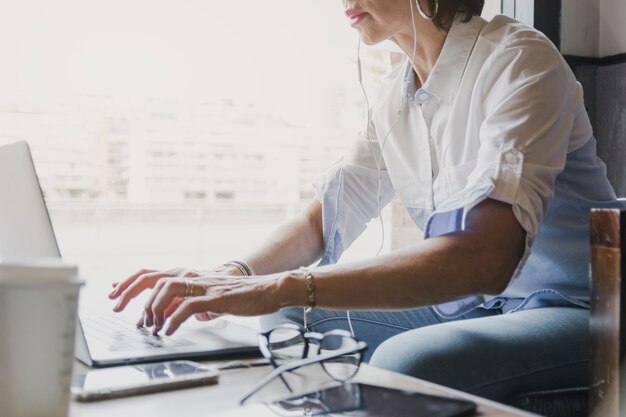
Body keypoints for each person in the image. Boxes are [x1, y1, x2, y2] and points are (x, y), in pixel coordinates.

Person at [109, 0, 625, 403]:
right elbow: (323, 218)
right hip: (475, 308)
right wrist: (234, 273)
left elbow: (484, 258)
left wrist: (281, 284)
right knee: (286, 318)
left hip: (578, 309)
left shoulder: (519, 60)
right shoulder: (392, 96)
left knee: (408, 357)